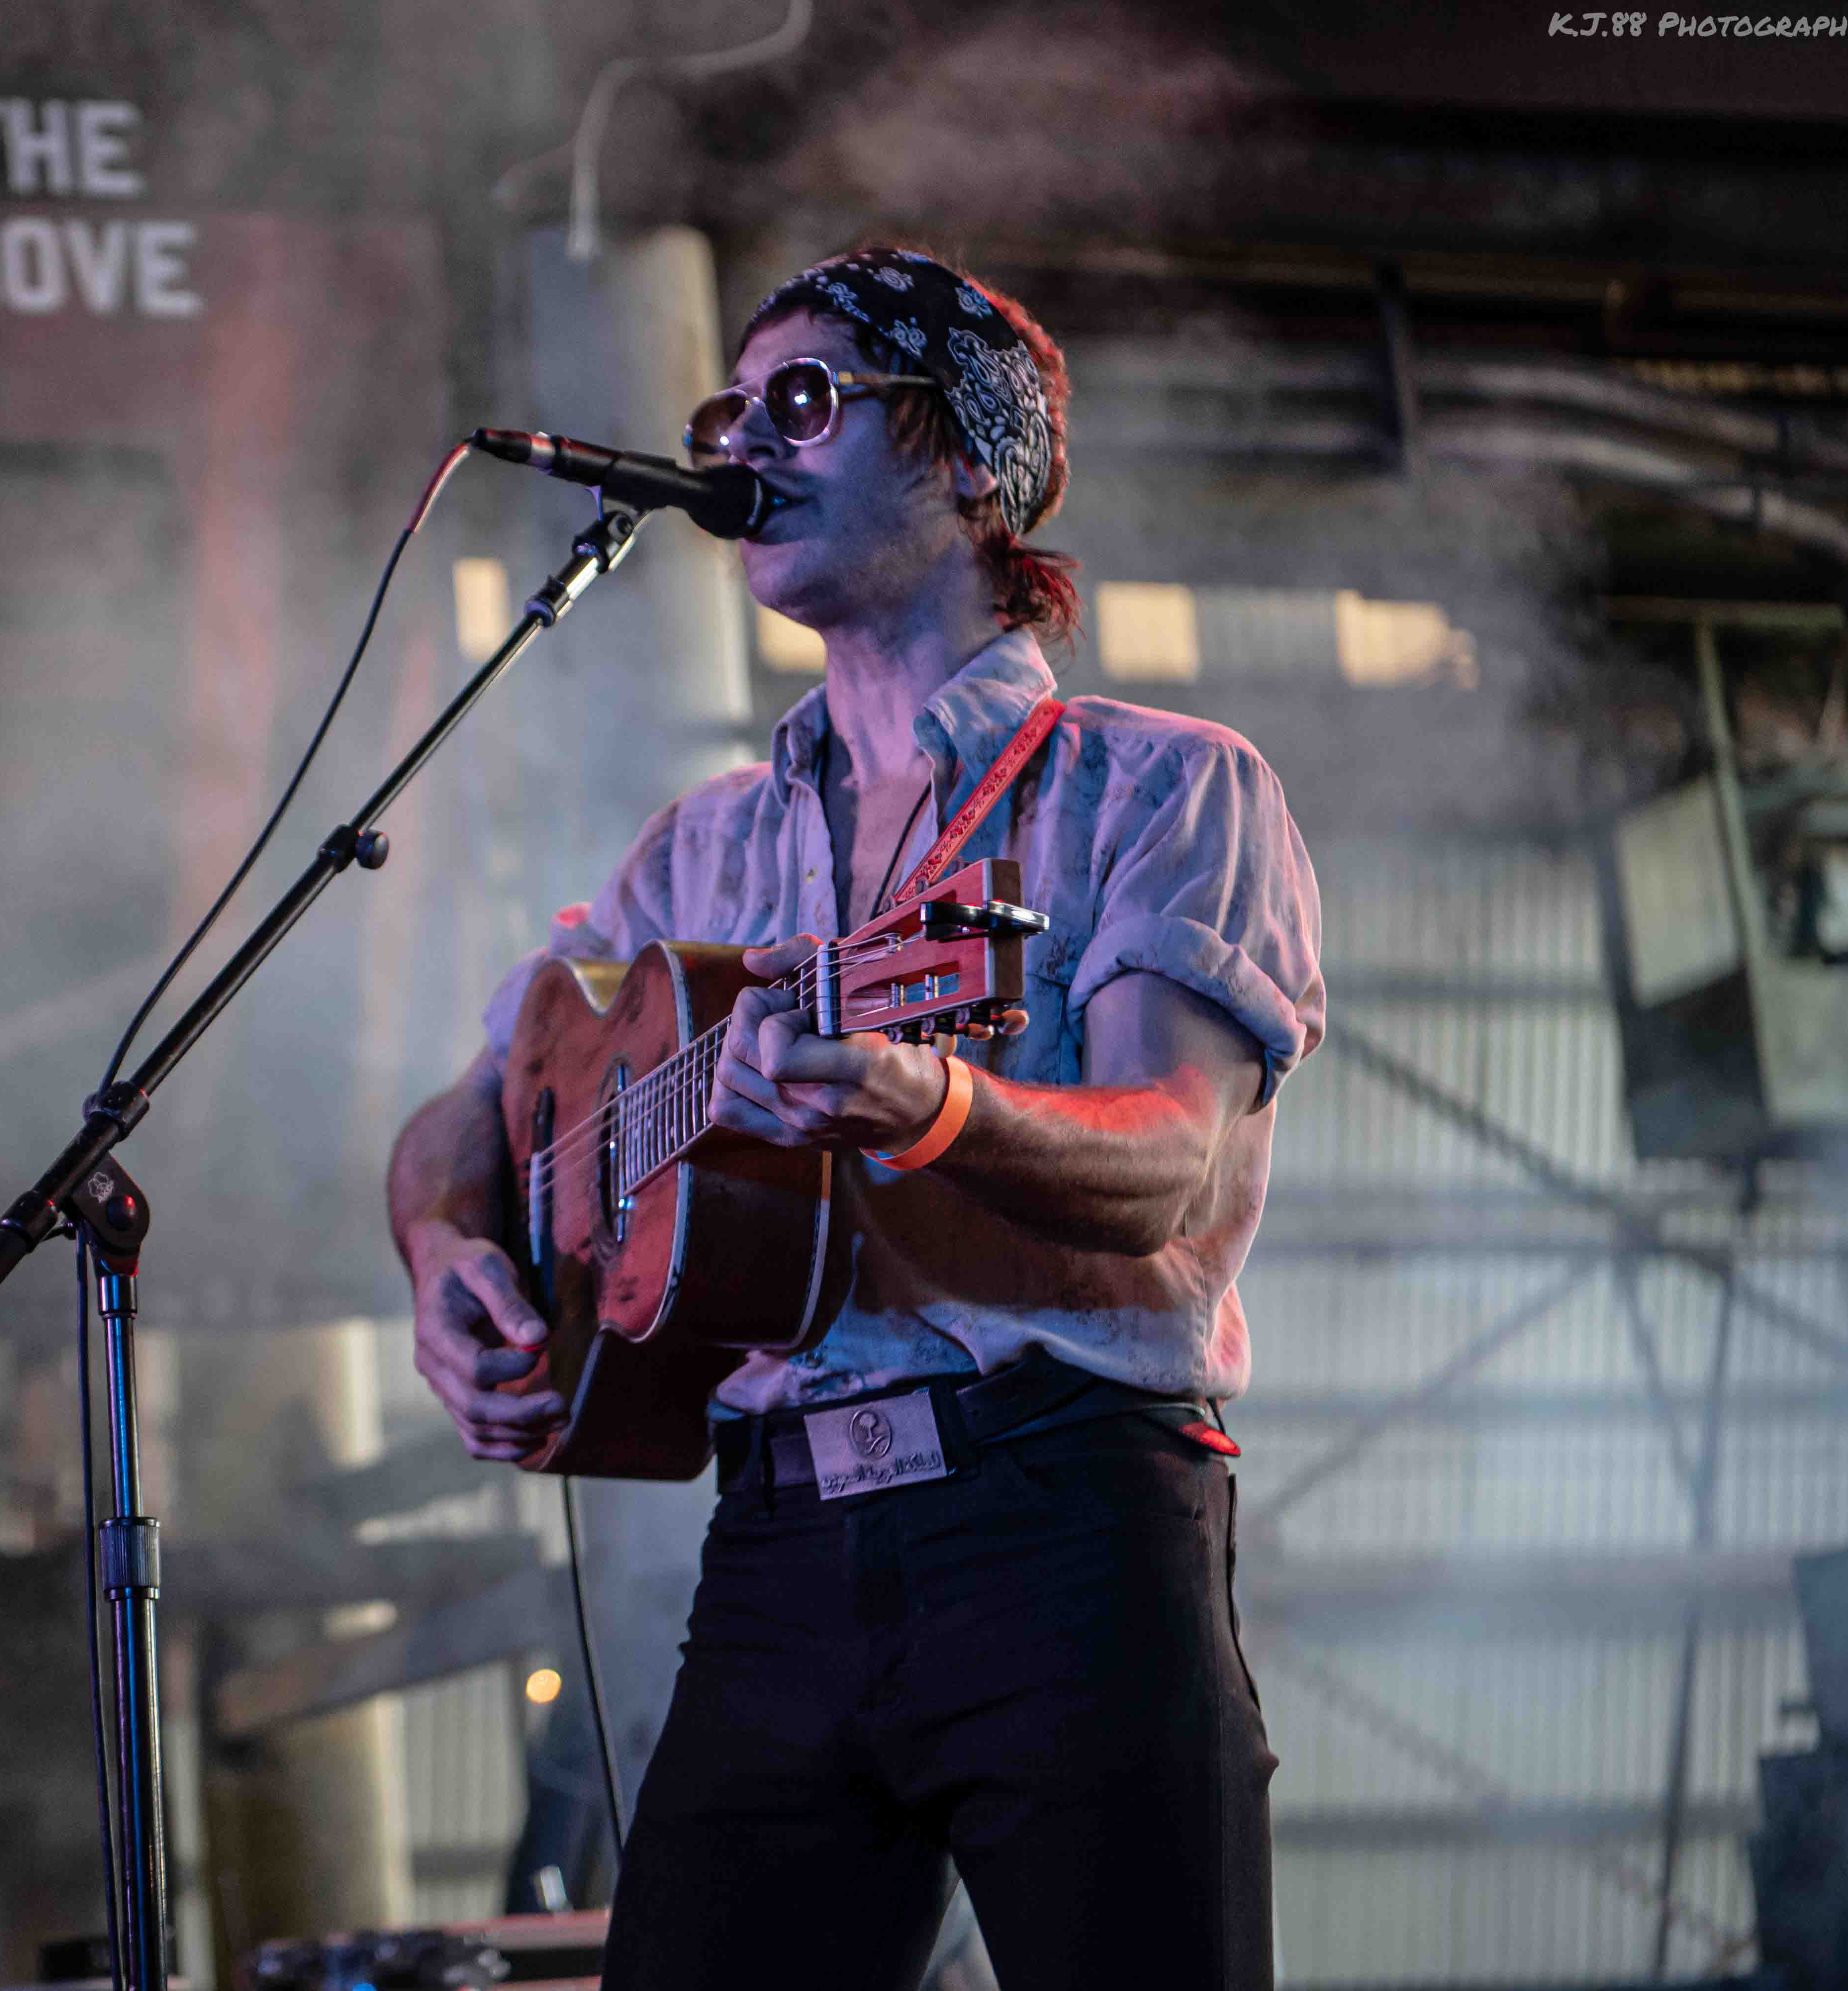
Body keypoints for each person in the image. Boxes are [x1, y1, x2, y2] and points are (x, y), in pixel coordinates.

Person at [387, 245, 1324, 1991]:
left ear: (972, 460)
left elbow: (1171, 1166)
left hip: (1065, 1524)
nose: (749, 440)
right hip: (778, 1546)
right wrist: (448, 1250)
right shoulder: (704, 851)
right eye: (727, 411)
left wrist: (933, 1102)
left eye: (805, 400)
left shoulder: (1164, 783)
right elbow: (474, 1119)